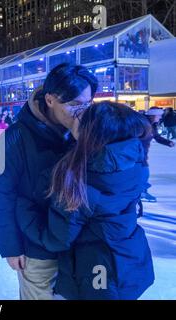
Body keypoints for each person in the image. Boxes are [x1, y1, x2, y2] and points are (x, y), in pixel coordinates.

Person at [17, 102, 154, 299]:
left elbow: (58, 239)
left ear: (90, 133)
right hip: (129, 261)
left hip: (95, 272)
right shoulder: (135, 162)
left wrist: (24, 208)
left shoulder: (79, 181)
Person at [0, 63, 98, 300]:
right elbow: (0, 195)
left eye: (87, 104)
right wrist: (10, 245)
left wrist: (84, 144)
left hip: (80, 244)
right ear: (49, 100)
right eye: (74, 104)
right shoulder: (12, 138)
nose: (82, 112)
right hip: (37, 248)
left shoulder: (85, 133)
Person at [140, 107, 175, 202]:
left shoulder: (152, 125)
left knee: (143, 173)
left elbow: (157, 137)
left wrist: (168, 142)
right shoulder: (143, 125)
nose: (160, 117)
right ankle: (140, 192)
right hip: (137, 154)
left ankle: (141, 191)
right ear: (153, 115)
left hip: (143, 153)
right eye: (159, 115)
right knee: (143, 173)